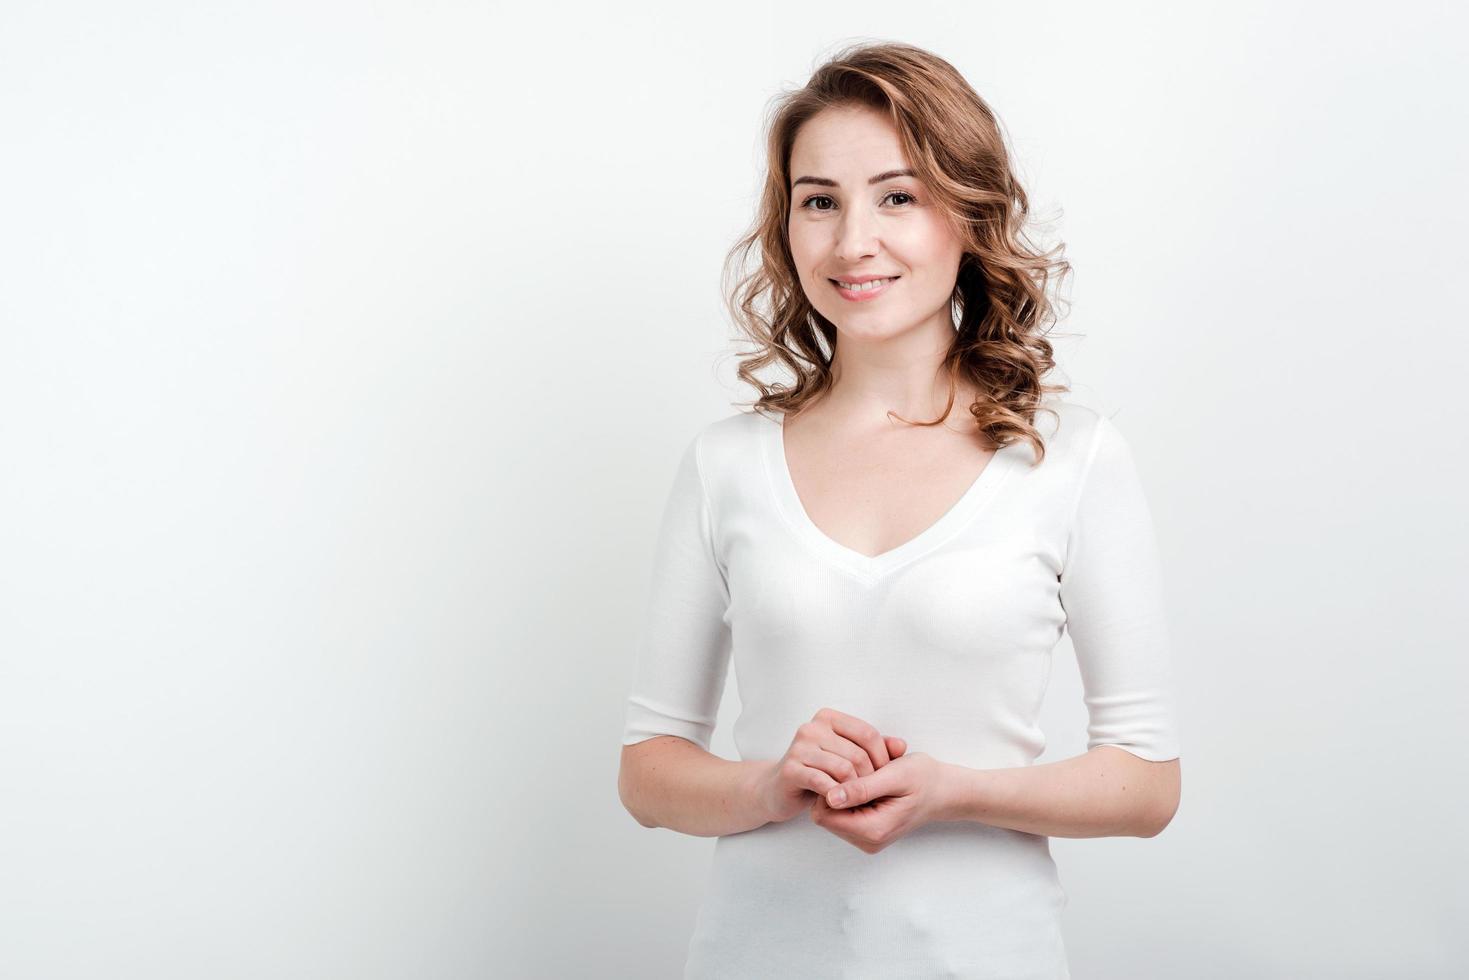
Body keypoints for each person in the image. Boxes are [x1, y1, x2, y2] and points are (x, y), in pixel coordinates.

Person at [616, 41, 1183, 980]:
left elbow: (1146, 785)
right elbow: (647, 772)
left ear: (966, 213)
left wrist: (954, 792)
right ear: (787, 224)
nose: (851, 243)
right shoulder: (726, 465)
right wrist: (770, 784)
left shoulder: (1068, 458)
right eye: (819, 200)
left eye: (897, 195)